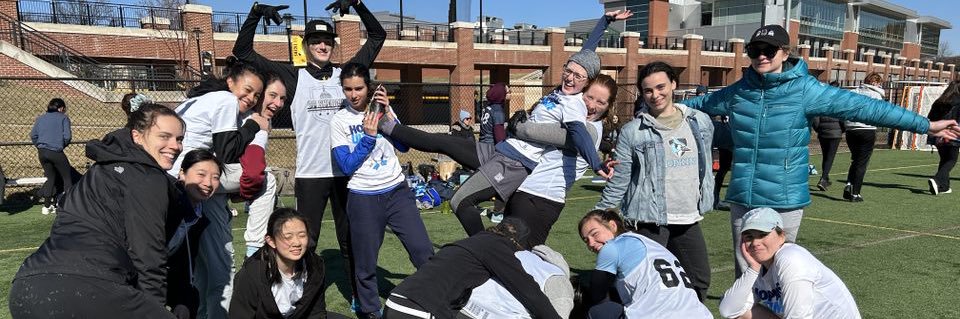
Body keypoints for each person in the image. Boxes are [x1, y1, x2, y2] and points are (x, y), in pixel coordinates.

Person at [681, 24, 960, 276]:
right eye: (755, 50)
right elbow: (692, 108)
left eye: (769, 50)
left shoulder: (806, 89)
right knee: (746, 272)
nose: (761, 56)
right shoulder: (738, 91)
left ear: (785, 52)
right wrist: (657, 104)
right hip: (743, 196)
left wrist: (926, 125)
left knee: (780, 273)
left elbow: (868, 108)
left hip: (784, 197)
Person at [377, 11, 630, 239]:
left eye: (578, 76)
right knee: (443, 141)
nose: (570, 77)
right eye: (569, 70)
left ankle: (483, 249)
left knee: (460, 201)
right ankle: (387, 126)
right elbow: (586, 54)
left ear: (587, 82)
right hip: (502, 149)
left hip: (515, 164)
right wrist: (604, 22)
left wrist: (597, 165)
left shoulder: (574, 105)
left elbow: (579, 135)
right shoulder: (561, 90)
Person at [233, 3, 386, 302]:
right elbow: (243, 52)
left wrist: (357, 4)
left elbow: (377, 36)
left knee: (350, 240)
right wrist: (254, 14)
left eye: (328, 41)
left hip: (346, 172)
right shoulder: (293, 77)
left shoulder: (346, 76)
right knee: (306, 242)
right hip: (311, 174)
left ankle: (358, 295)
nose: (322, 46)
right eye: (316, 41)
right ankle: (301, 296)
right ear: (305, 46)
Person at [10, 103, 185, 318]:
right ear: (137, 136)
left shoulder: (97, 171)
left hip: (27, 285)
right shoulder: (147, 176)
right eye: (164, 136)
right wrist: (155, 309)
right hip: (87, 285)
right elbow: (148, 252)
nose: (175, 146)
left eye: (179, 139)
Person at [594, 62, 714, 302]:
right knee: (644, 282)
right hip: (649, 219)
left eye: (661, 87)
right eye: (648, 90)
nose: (655, 95)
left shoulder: (700, 121)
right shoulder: (632, 131)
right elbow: (622, 177)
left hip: (688, 217)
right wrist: (600, 212)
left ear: (673, 84)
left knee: (699, 280)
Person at [331, 63, 434, 318]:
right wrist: (367, 137)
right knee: (365, 264)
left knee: (422, 250)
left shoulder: (381, 111)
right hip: (363, 198)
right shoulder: (339, 121)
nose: (353, 94)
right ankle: (370, 311)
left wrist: (388, 114)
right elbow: (345, 165)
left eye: (358, 88)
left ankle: (435, 298)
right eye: (347, 89)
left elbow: (403, 146)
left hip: (397, 192)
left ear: (368, 87)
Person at [170, 58, 270, 318]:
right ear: (230, 83)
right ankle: (256, 244)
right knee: (266, 179)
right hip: (192, 176)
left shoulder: (201, 100)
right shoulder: (225, 100)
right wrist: (254, 125)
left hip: (179, 177)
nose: (250, 98)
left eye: (256, 95)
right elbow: (226, 152)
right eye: (247, 90)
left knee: (202, 266)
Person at [384, 218, 562, 319]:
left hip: (396, 300)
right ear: (516, 242)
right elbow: (527, 289)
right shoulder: (498, 247)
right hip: (417, 310)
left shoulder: (473, 242)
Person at [718, 207, 861, 319]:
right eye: (749, 237)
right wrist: (752, 269)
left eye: (763, 235)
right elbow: (729, 310)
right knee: (741, 312)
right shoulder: (759, 267)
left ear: (782, 236)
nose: (755, 243)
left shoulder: (791, 260)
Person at [577, 209, 712, 319]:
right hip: (698, 313)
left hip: (659, 315)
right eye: (586, 240)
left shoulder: (610, 248)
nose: (591, 243)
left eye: (594, 234)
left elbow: (597, 294)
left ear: (612, 226)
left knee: (594, 310)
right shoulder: (649, 243)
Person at [230, 208, 350, 319]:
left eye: (302, 235)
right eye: (288, 237)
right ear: (271, 241)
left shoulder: (315, 265)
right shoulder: (251, 274)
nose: (297, 242)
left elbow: (316, 311)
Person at [166, 148, 223, 319]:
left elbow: (185, 264)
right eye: (201, 174)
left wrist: (184, 299)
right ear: (182, 173)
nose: (208, 183)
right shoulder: (165, 201)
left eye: (216, 177)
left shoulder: (198, 217)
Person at [238, 73, 287, 257]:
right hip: (200, 176)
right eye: (272, 95)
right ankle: (255, 252)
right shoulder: (258, 121)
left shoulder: (238, 113)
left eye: (282, 98)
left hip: (195, 177)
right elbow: (253, 172)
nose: (278, 103)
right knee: (267, 180)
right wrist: (245, 194)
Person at [459, 244, 574, 319]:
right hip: (481, 309)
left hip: (459, 293)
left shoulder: (523, 254)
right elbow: (560, 313)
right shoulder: (561, 284)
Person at [842, 73, 884, 202]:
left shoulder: (854, 91)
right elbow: (878, 113)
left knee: (855, 159)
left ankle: (849, 183)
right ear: (875, 83)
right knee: (862, 162)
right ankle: (856, 193)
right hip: (866, 129)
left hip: (851, 129)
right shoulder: (876, 95)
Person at [30, 98, 73, 215]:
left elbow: (33, 135)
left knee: (51, 178)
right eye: (64, 108)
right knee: (67, 178)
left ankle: (46, 206)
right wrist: (61, 146)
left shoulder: (40, 118)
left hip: (42, 152)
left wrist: (40, 146)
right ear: (61, 108)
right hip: (56, 151)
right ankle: (68, 206)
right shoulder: (63, 118)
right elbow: (67, 137)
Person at [927, 80, 960, 195]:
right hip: (953, 133)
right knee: (951, 160)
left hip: (937, 134)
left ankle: (943, 186)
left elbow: (930, 117)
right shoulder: (958, 102)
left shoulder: (939, 102)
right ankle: (937, 179)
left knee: (944, 159)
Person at [811, 81, 844, 192]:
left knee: (825, 156)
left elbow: (815, 119)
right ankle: (823, 178)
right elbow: (843, 119)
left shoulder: (821, 101)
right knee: (830, 157)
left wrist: (819, 129)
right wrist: (842, 130)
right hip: (835, 134)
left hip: (823, 133)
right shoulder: (839, 102)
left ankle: (826, 177)